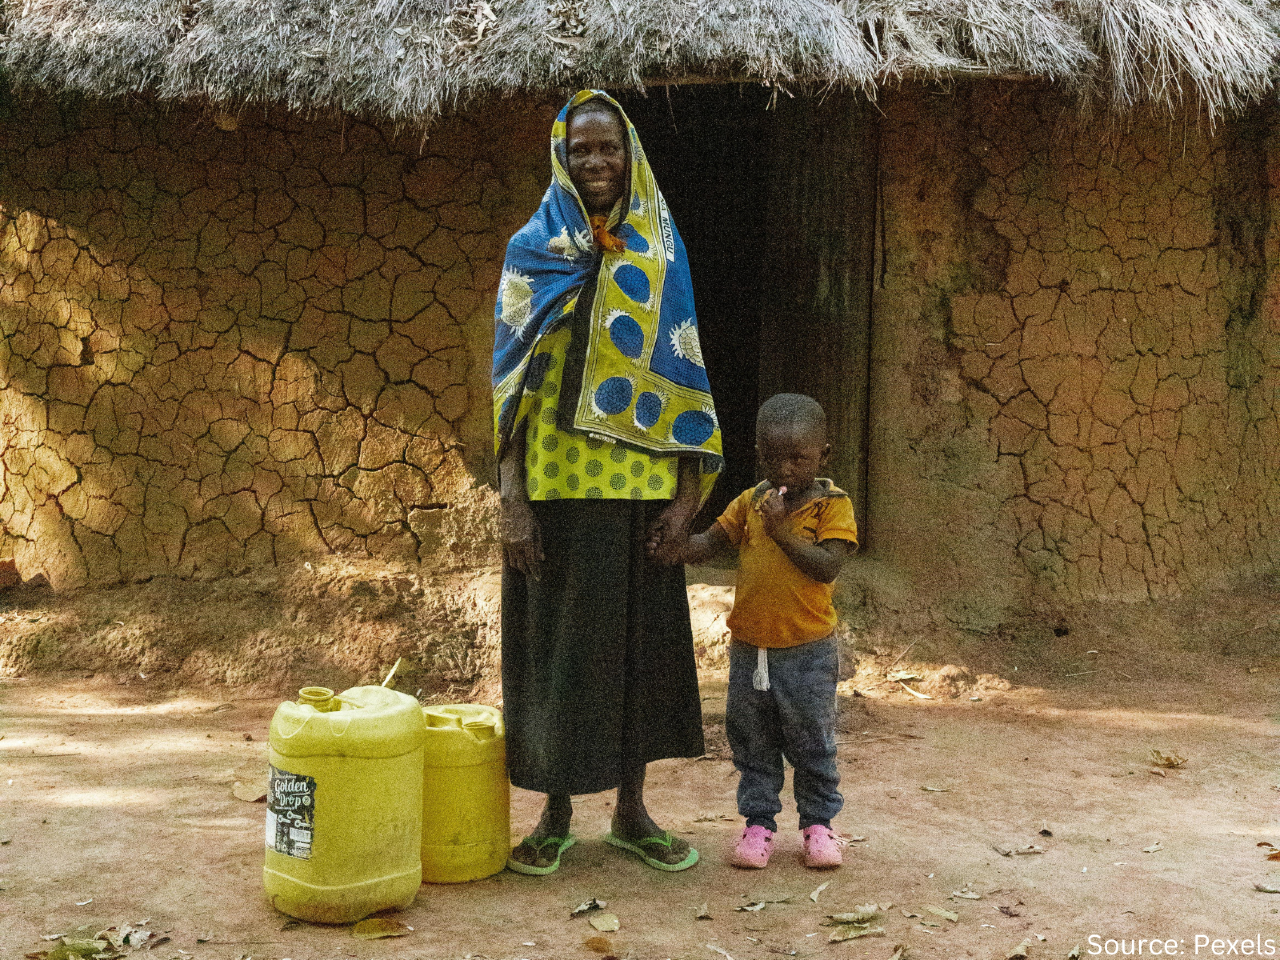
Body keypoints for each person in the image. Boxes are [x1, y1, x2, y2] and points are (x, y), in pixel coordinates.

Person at [492, 90, 722, 875]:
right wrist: (513, 501)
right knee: (558, 656)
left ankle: (632, 812)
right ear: (562, 157)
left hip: (640, 491)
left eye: (608, 149)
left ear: (630, 157)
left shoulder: (659, 252)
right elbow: (508, 391)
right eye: (581, 150)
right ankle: (554, 816)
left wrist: (687, 502)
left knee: (638, 656)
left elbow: (685, 371)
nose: (595, 162)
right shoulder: (533, 250)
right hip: (556, 490)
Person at [653, 393, 856, 869]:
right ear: (757, 453)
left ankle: (819, 826)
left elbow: (826, 567)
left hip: (807, 653)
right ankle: (759, 825)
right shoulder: (750, 502)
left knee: (812, 741)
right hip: (751, 651)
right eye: (771, 457)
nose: (783, 469)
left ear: (822, 456)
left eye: (797, 458)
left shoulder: (833, 506)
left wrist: (783, 531)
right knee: (752, 739)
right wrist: (678, 545)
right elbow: (711, 542)